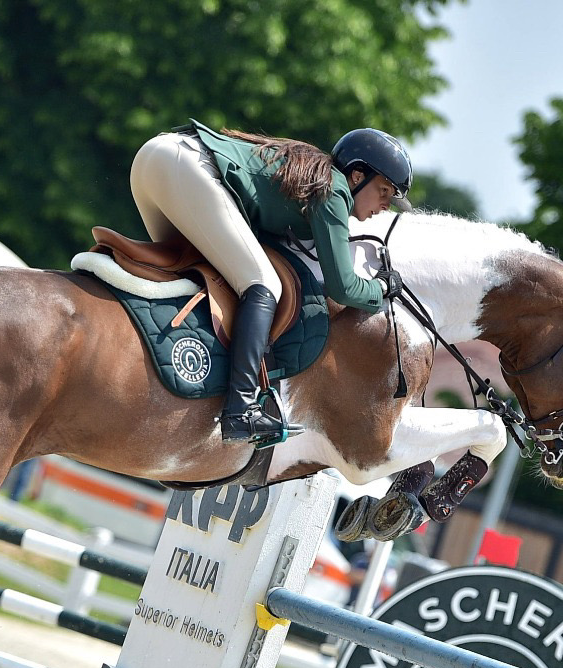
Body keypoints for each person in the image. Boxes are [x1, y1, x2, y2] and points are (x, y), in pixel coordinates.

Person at [129, 122, 412, 443]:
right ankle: (241, 408)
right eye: (384, 191)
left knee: (194, 276)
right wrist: (382, 288)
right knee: (262, 284)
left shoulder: (311, 173)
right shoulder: (334, 190)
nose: (385, 205)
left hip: (155, 156)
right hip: (185, 166)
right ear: (358, 176)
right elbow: (343, 288)